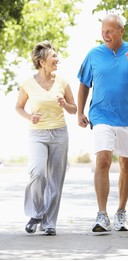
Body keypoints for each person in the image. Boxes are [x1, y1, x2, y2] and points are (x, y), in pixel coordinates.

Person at [77, 14, 128, 232]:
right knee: (102, 159)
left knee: (126, 165)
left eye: (110, 31)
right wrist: (80, 112)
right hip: (101, 115)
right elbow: (84, 84)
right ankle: (102, 215)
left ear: (121, 31)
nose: (105, 35)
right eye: (103, 31)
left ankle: (121, 212)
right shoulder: (94, 54)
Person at [16, 40, 77, 236]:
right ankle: (36, 213)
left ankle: (49, 223)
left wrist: (64, 104)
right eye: (53, 56)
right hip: (38, 134)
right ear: (42, 62)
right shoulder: (27, 83)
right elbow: (18, 106)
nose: (57, 59)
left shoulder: (63, 81)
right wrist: (29, 117)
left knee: (55, 181)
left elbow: (74, 108)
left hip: (59, 133)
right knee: (38, 172)